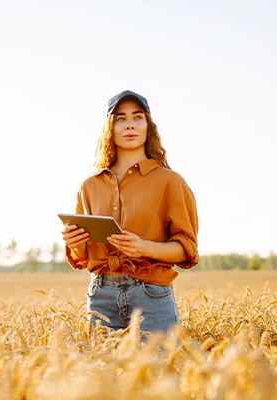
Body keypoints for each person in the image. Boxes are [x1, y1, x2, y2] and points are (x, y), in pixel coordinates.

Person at [62, 90, 199, 334]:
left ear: (148, 126)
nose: (130, 125)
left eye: (137, 117)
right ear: (110, 128)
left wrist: (144, 248)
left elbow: (186, 248)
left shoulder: (171, 181)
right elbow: (84, 256)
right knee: (104, 372)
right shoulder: (89, 185)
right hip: (100, 297)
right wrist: (76, 243)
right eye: (121, 119)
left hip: (151, 295)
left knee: (158, 371)